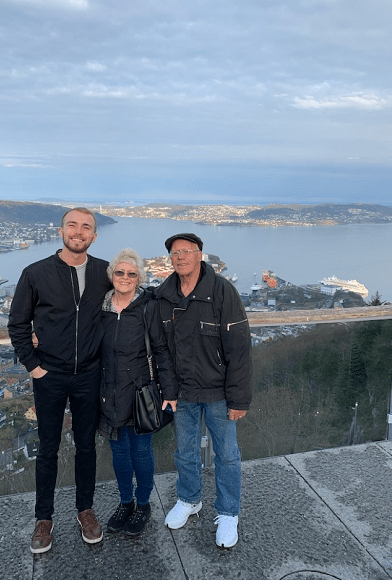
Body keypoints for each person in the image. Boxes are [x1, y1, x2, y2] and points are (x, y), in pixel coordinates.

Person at [8, 207, 111, 554]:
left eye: (86, 227)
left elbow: (133, 295)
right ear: (61, 230)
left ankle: (85, 510)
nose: (78, 231)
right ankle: (44, 518)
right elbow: (18, 324)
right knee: (48, 449)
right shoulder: (35, 273)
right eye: (72, 225)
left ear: (94, 236)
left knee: (86, 446)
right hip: (49, 375)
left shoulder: (104, 272)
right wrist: (34, 366)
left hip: (90, 374)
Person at [155, 233, 252, 548]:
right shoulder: (164, 296)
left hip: (219, 393)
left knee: (227, 455)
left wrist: (239, 398)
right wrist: (169, 391)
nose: (180, 256)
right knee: (184, 452)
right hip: (182, 393)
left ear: (200, 255)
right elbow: (163, 353)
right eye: (175, 253)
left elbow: (239, 350)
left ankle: (227, 513)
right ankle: (189, 499)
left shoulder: (223, 292)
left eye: (187, 251)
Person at [98, 248, 177, 536]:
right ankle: (125, 501)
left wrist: (169, 391)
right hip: (108, 393)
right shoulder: (102, 308)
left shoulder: (147, 308)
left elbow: (161, 350)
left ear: (139, 278)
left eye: (132, 273)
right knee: (119, 452)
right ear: (111, 276)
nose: (125, 277)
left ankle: (143, 503)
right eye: (120, 272)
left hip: (140, 393)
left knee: (141, 452)